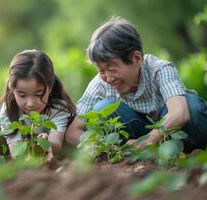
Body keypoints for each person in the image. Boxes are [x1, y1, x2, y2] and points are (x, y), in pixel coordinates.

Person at [65, 17, 207, 152]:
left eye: (112, 68)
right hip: (137, 141)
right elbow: (72, 132)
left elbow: (180, 112)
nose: (108, 78)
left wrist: (147, 142)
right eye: (101, 70)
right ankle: (145, 155)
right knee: (103, 108)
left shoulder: (159, 69)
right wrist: (103, 148)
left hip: (180, 136)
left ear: (136, 58)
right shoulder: (99, 84)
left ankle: (188, 151)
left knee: (190, 105)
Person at [0, 49, 75, 159]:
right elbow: (16, 153)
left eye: (38, 94)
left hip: (53, 152)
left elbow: (56, 143)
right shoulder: (8, 111)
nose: (30, 104)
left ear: (50, 88)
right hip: (13, 148)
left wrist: (46, 144)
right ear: (12, 89)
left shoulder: (58, 109)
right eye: (22, 95)